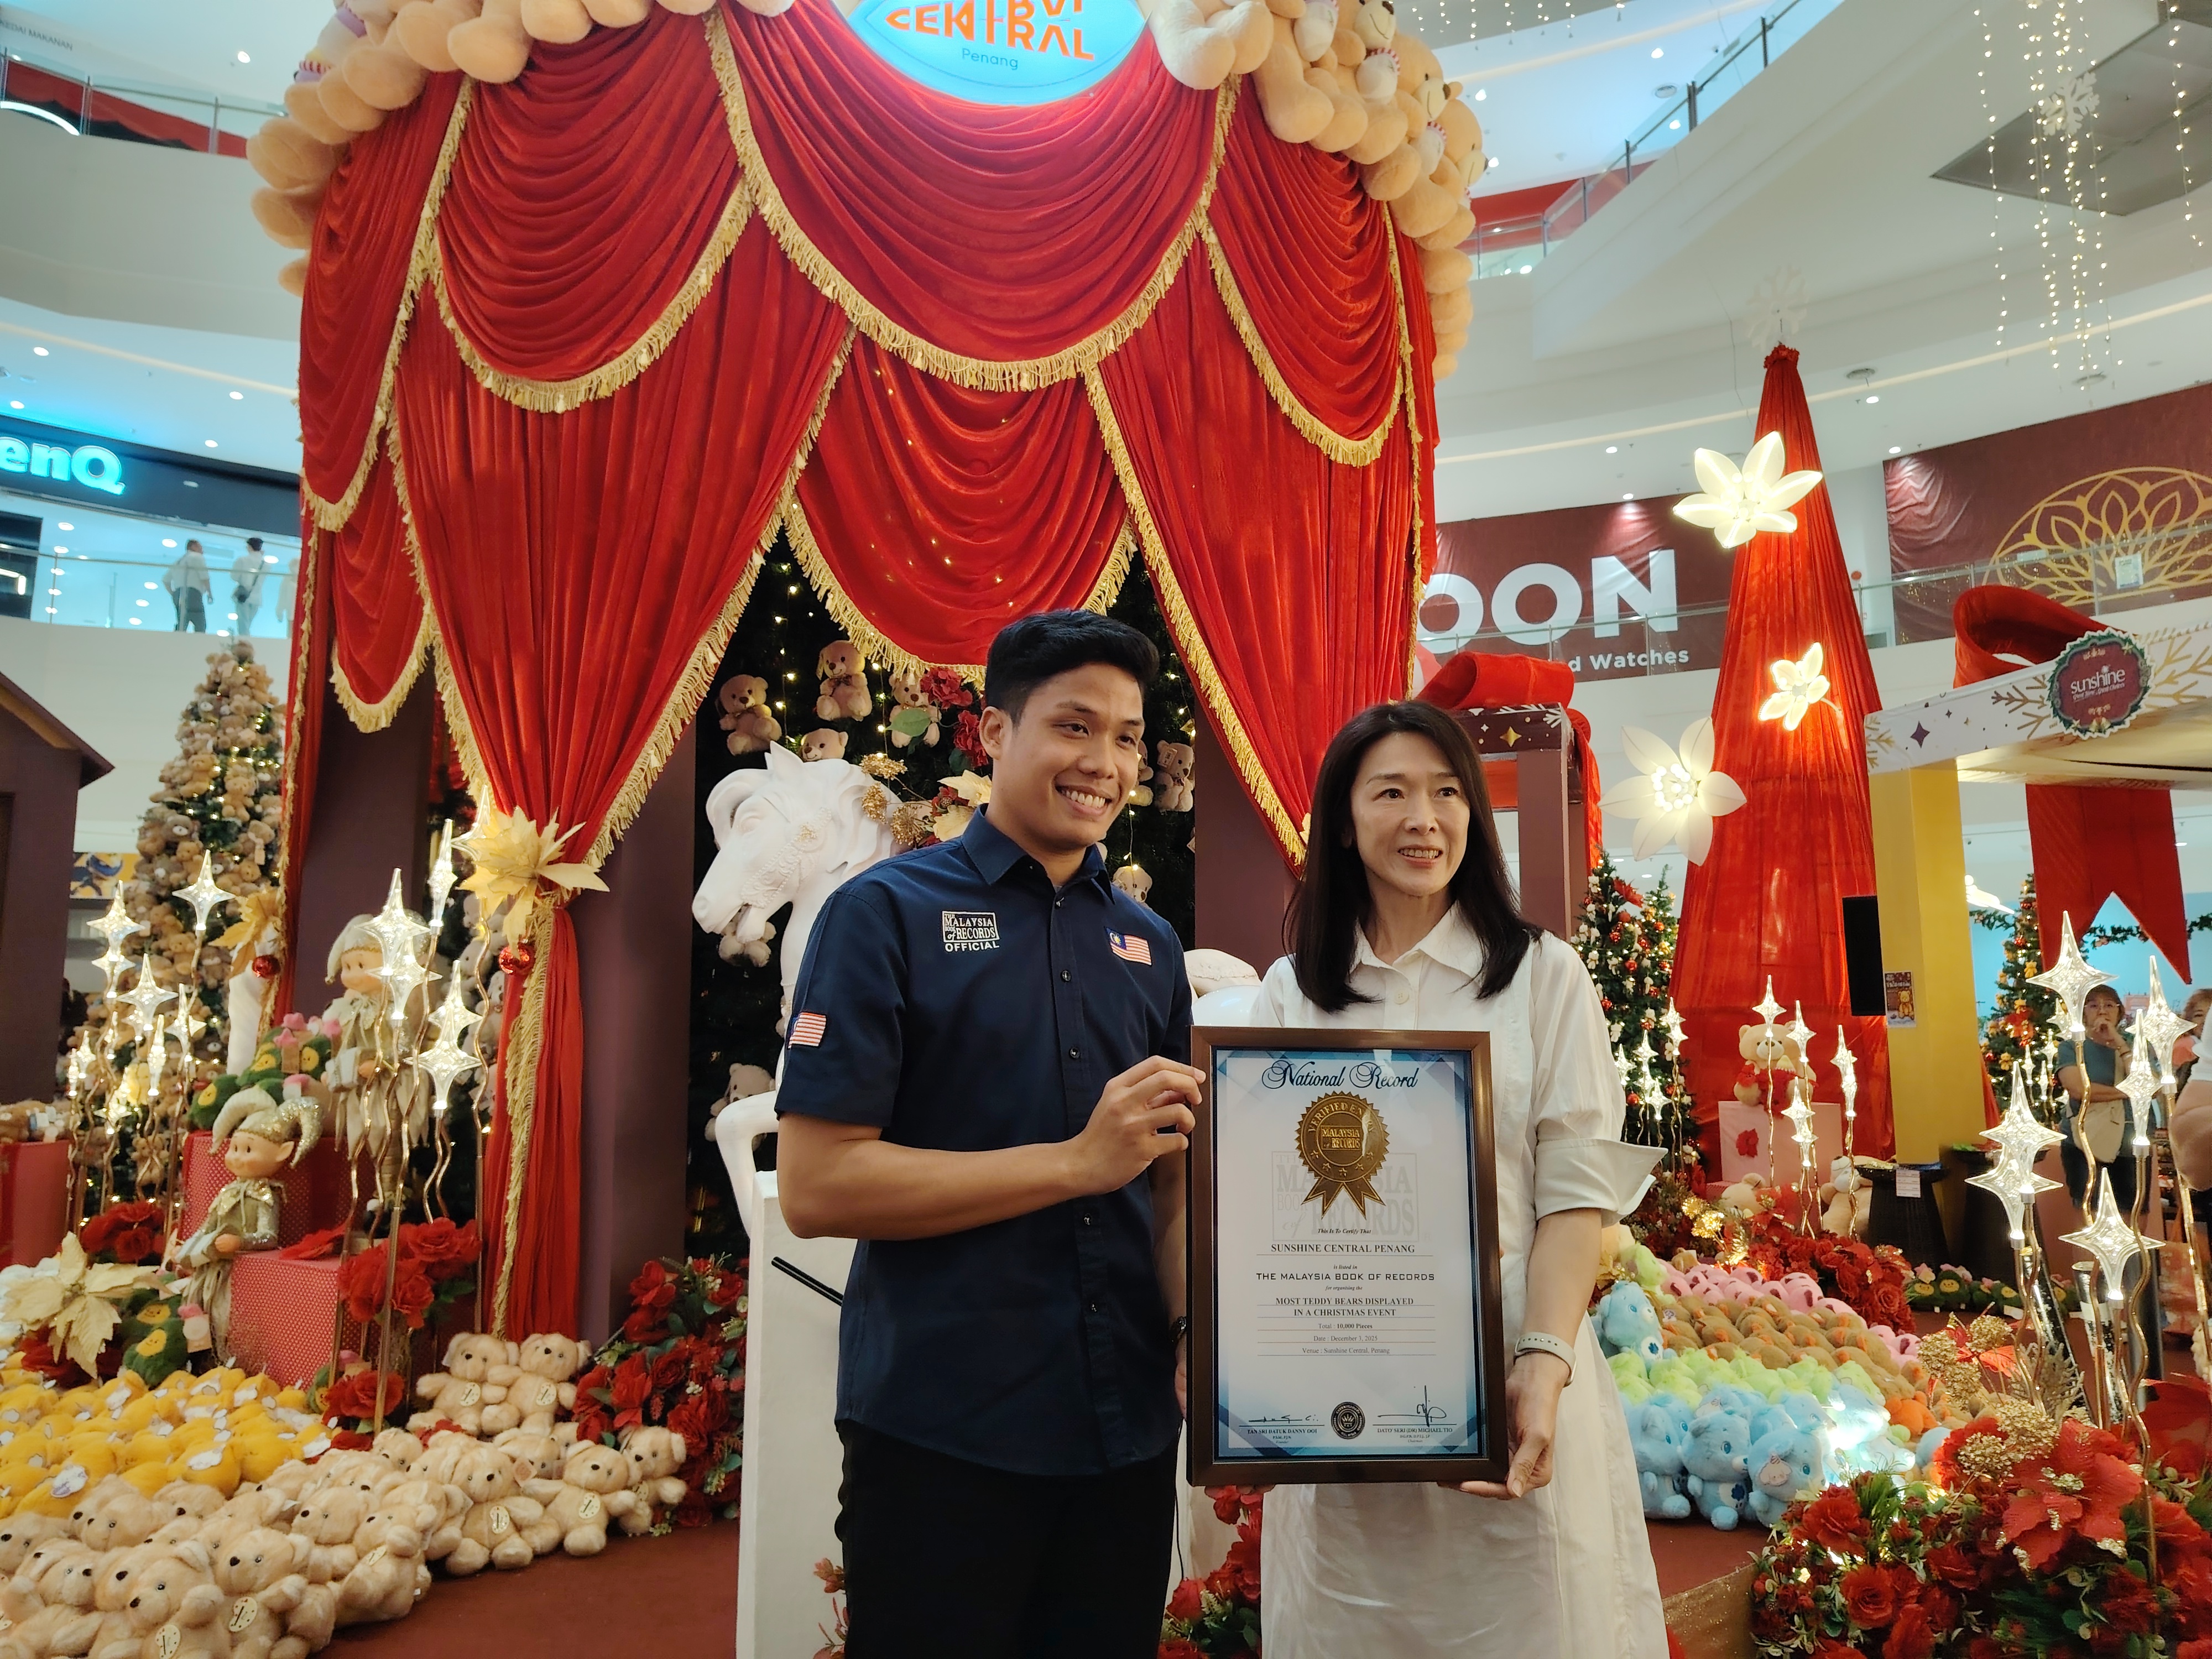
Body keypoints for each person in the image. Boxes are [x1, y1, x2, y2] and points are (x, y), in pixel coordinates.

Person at [775, 610, 1200, 1659]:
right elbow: (819, 1186)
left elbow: (1173, 1185)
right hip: (945, 1430)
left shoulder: (1148, 943)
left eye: (1128, 738)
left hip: (1125, 1432)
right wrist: (1074, 1164)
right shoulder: (883, 914)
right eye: (1074, 726)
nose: (1105, 764)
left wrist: (1202, 1335)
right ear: (996, 734)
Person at [1247, 700, 1666, 1658]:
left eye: (1446, 793)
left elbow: (1575, 1194)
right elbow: (1267, 1212)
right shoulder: (1291, 994)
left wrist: (1542, 1364)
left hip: (1515, 1383)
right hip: (1342, 1391)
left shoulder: (1542, 977)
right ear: (1342, 821)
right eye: (1390, 793)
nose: (1423, 820)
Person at [2056, 983, 2137, 1211]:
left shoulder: (2134, 1046)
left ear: (2120, 1012)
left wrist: (2119, 1043)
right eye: (2093, 1006)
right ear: (2084, 1014)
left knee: (2131, 1212)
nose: (2102, 1011)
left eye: (2109, 1005)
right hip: (2085, 1142)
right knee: (2089, 1211)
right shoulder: (2072, 1048)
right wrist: (2128, 1092)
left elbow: (2149, 1084)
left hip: (2131, 1142)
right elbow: (2079, 1090)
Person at [165, 539, 211, 633]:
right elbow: (204, 576)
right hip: (193, 593)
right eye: (200, 547)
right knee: (200, 624)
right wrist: (210, 592)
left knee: (182, 622)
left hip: (178, 593)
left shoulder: (178, 561)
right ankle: (198, 641)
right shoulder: (197, 557)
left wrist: (173, 594)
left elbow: (166, 580)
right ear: (193, 547)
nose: (202, 551)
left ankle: (177, 639)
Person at [230, 538, 269, 636]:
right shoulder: (266, 564)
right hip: (257, 597)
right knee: (248, 624)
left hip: (243, 596)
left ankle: (244, 643)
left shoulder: (242, 560)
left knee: (243, 625)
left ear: (249, 547)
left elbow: (234, 577)